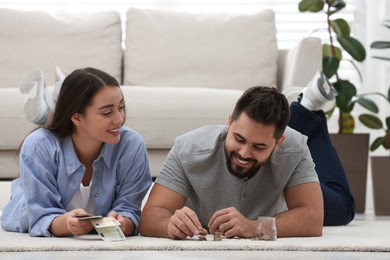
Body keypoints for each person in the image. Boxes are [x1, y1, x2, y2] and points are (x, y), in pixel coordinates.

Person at [139, 70, 355, 240]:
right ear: (229, 122)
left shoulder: (294, 147)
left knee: (344, 208)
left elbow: (313, 219)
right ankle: (307, 107)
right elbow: (150, 216)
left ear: (278, 143)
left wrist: (254, 227)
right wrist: (169, 225)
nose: (244, 153)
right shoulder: (188, 149)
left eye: (259, 147)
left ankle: (308, 109)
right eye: (239, 139)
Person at [1, 67, 152, 237]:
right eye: (107, 112)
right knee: (45, 137)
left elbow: (130, 210)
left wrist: (125, 222)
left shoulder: (131, 145)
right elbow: (40, 216)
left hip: (71, 123)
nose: (119, 119)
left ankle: (55, 101)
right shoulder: (38, 145)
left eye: (121, 107)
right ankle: (51, 107)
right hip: (27, 209)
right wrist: (66, 224)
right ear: (77, 117)